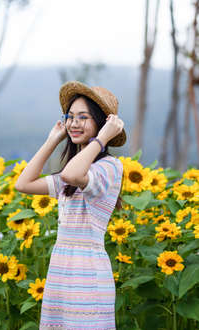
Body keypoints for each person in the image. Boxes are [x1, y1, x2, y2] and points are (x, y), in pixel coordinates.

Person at [15, 80, 126, 330]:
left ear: (101, 122)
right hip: (62, 271)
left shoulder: (109, 167)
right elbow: (23, 183)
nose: (74, 123)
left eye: (83, 117)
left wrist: (103, 137)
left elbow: (72, 175)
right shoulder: (72, 174)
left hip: (88, 275)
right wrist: (52, 140)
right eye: (70, 117)